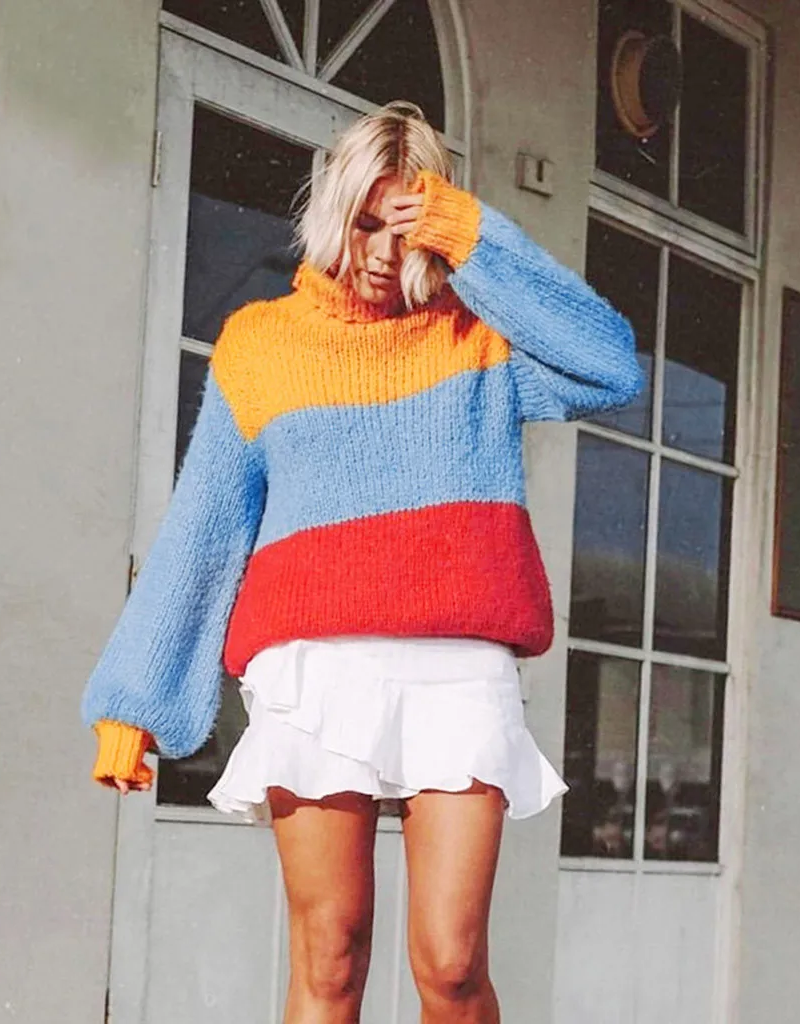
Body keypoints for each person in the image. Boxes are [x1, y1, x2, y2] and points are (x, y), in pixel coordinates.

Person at [81, 100, 642, 1024]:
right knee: (331, 959)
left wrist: (473, 236)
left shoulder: (477, 336)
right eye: (365, 222)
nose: (384, 252)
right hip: (315, 671)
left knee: (452, 967)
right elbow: (207, 522)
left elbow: (611, 365)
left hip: (458, 671)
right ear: (330, 211)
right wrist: (135, 701)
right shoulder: (259, 344)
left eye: (407, 226)